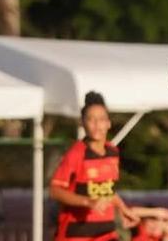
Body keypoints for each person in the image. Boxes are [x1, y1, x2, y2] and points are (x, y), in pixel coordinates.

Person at [50, 92, 139, 241]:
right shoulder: (76, 154)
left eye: (101, 119)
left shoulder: (112, 152)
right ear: (83, 123)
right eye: (91, 119)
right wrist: (87, 202)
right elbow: (55, 190)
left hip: (106, 233)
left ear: (109, 123)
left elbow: (108, 191)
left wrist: (123, 209)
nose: (97, 125)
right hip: (77, 234)